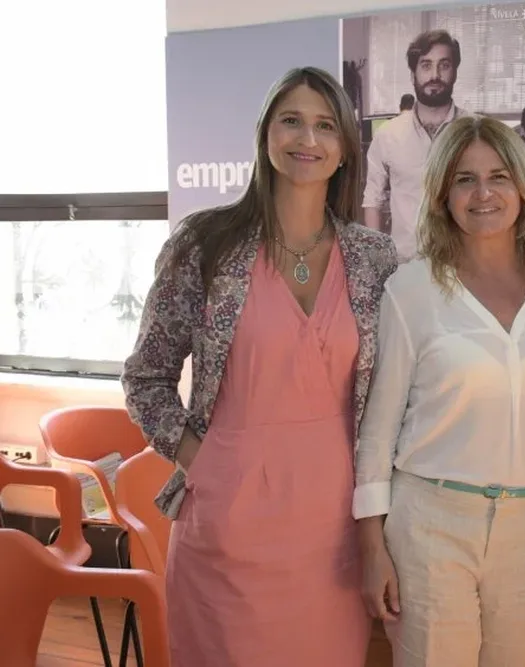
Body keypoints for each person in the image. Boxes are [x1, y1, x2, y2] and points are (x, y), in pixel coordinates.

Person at [121, 66, 398, 666]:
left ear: (347, 146)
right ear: (265, 134)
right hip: (228, 524)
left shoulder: (374, 258)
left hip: (334, 531)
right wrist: (203, 457)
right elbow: (145, 378)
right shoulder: (206, 243)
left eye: (326, 125)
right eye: (291, 120)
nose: (308, 138)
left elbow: (393, 394)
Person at [353, 114, 525, 666]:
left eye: (499, 176)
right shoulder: (411, 289)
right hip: (432, 524)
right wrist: (371, 548)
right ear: (442, 196)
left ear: (523, 189)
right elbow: (377, 430)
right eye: (464, 179)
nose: (483, 193)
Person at [363, 29, 469, 262]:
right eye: (426, 65)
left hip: (464, 266)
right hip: (405, 268)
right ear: (413, 74)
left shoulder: (474, 131)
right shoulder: (388, 135)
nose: (435, 75)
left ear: (455, 72)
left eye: (444, 65)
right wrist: (378, 261)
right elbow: (373, 200)